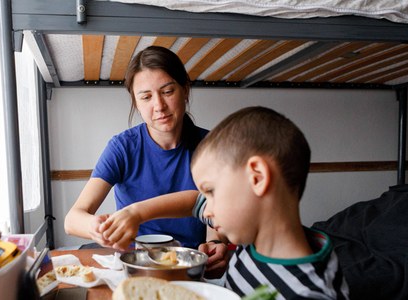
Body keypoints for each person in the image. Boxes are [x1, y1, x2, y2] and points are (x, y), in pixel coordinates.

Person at [102, 106, 350, 299]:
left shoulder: (306, 293)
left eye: (211, 191)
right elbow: (191, 202)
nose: (206, 209)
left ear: (257, 178)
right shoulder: (257, 245)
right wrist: (135, 213)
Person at [64, 46, 212, 249]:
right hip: (136, 260)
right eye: (146, 97)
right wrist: (97, 227)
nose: (159, 106)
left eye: (167, 91)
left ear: (185, 90)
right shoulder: (123, 148)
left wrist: (215, 242)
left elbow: (217, 209)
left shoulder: (212, 146)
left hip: (189, 260)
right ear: (136, 102)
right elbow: (72, 220)